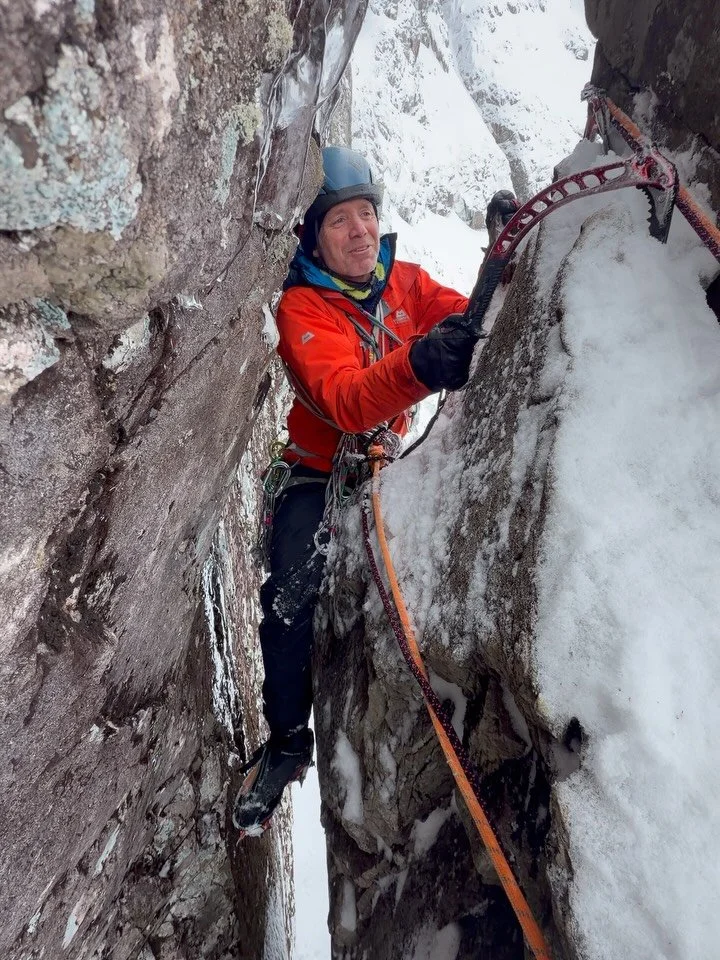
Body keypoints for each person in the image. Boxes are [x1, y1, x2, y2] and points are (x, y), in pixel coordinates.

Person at [233, 146, 519, 835]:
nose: (361, 229)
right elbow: (348, 401)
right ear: (313, 238)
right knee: (289, 598)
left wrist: (502, 268)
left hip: (383, 463)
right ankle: (287, 743)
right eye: (340, 220)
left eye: (367, 212)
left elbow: (472, 323)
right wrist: (422, 361)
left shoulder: (403, 282)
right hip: (317, 473)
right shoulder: (304, 308)